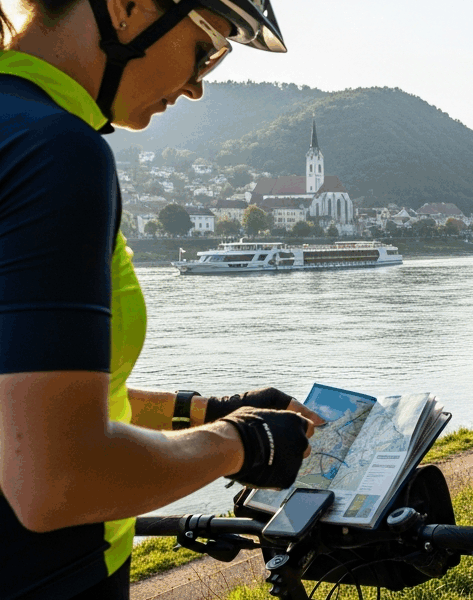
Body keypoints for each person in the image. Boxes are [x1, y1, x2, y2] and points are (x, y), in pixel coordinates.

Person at [0, 0, 325, 598]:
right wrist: (241, 443)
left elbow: (23, 401)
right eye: (208, 48)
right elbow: (56, 480)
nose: (199, 87)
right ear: (126, 7)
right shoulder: (55, 152)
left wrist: (207, 410)